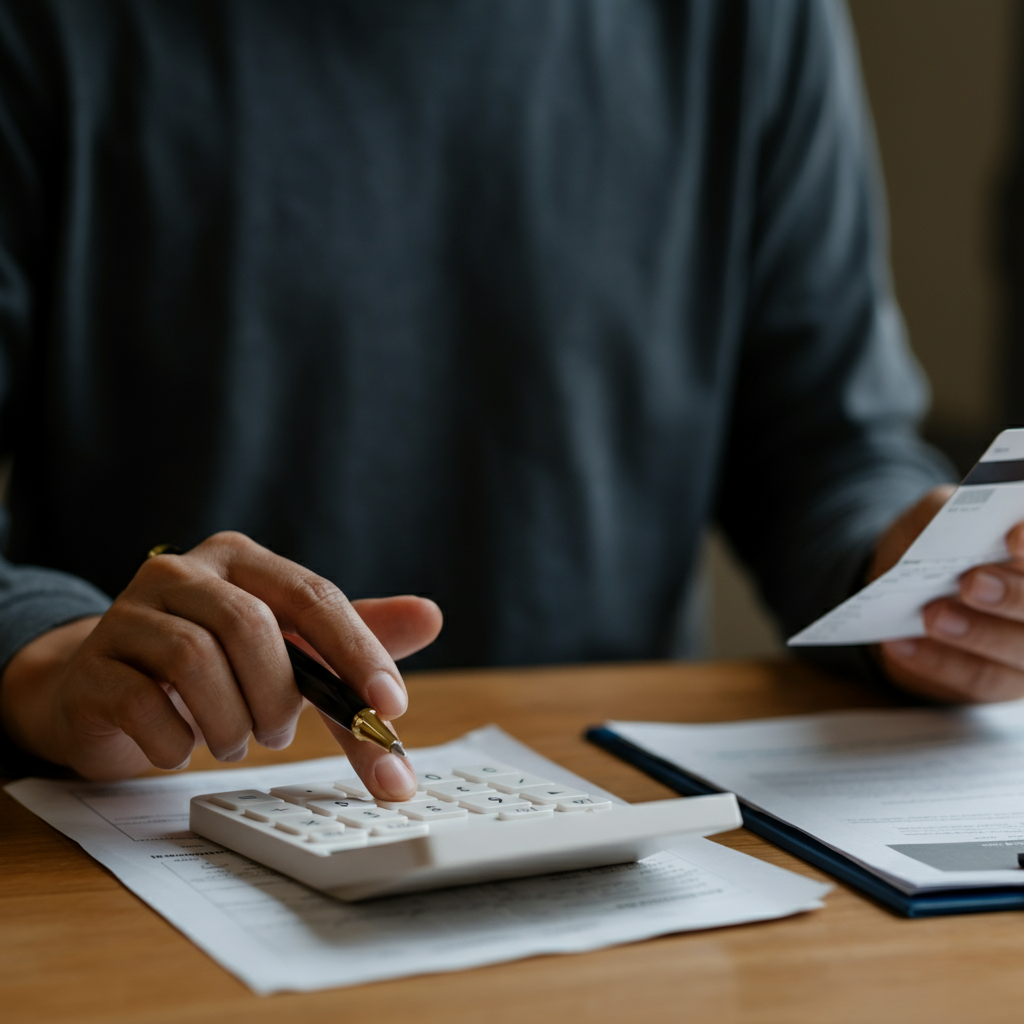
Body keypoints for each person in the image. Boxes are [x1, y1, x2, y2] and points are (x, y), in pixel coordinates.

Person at [0, 0, 1018, 801]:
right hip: (154, 811)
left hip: (615, 823)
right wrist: (44, 657)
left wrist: (930, 588)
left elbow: (828, 445)